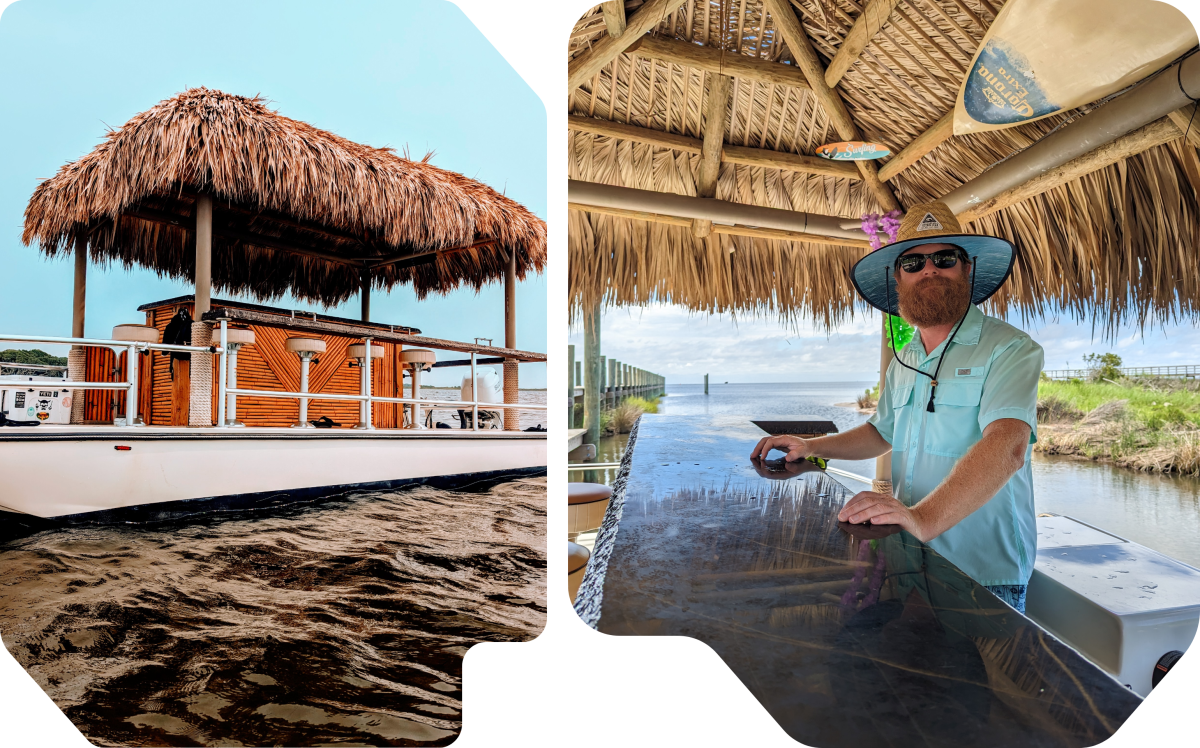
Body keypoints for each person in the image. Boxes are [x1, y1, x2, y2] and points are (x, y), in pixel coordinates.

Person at [750, 201, 1043, 614]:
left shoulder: (1010, 348)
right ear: (897, 278)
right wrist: (812, 446)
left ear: (968, 269)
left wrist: (921, 518)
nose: (929, 270)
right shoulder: (905, 357)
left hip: (984, 571)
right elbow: (882, 432)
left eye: (945, 258)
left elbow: (1009, 446)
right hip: (913, 559)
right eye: (913, 263)